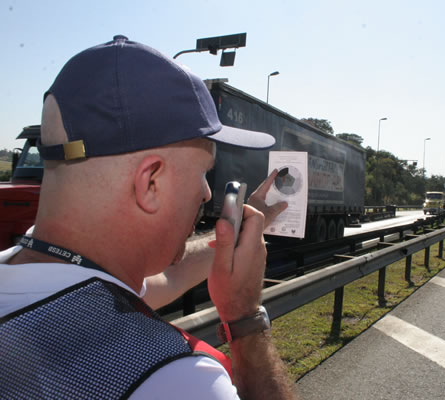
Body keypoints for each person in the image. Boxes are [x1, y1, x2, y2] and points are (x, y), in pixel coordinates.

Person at [0, 35, 298, 400]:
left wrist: (242, 229)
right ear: (151, 182)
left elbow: (168, 277)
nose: (206, 193)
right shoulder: (176, 381)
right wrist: (244, 318)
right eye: (203, 171)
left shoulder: (39, 268)